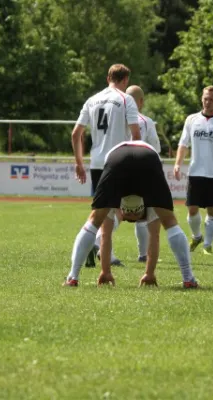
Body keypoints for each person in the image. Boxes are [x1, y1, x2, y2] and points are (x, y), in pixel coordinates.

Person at [63, 140, 199, 289]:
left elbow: (105, 235)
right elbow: (155, 236)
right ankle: (188, 279)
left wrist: (105, 271)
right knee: (170, 222)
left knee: (94, 220)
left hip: (117, 158)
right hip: (148, 158)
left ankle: (72, 277)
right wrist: (149, 273)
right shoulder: (150, 205)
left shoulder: (114, 205)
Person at [70, 63, 141, 268]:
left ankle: (104, 253)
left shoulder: (92, 100)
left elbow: (76, 134)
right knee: (125, 210)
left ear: (107, 77)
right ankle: (95, 243)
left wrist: (79, 163)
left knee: (103, 209)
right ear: (125, 80)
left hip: (97, 163)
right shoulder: (126, 99)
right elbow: (136, 134)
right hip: (119, 161)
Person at [173, 85, 213, 255]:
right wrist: (178, 163)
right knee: (192, 209)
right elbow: (183, 144)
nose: (208, 102)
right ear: (202, 99)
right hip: (195, 172)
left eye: (211, 99)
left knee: (212, 211)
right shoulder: (191, 120)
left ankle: (207, 244)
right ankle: (197, 236)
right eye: (205, 98)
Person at [125, 85, 161, 262]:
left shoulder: (115, 117)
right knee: (142, 213)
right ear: (141, 102)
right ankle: (143, 254)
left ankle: (99, 244)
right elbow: (155, 149)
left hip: (114, 167)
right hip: (140, 170)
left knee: (111, 211)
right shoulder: (146, 121)